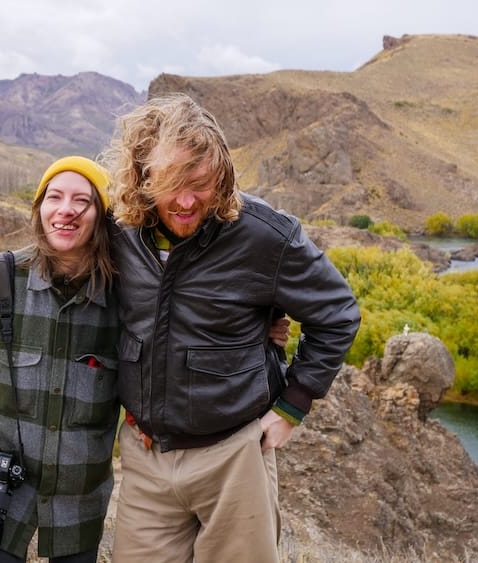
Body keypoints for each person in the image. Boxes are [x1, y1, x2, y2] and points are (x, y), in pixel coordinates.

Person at [103, 93, 361, 562]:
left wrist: (293, 405)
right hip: (144, 458)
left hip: (234, 457)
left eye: (200, 183)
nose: (185, 200)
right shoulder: (119, 229)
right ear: (142, 176)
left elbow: (337, 312)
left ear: (222, 174)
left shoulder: (266, 235)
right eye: (170, 182)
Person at [0, 156, 119, 563]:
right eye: (54, 197)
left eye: (81, 201)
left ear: (103, 216)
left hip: (78, 499)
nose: (65, 210)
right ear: (39, 210)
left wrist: (256, 327)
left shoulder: (125, 296)